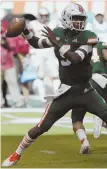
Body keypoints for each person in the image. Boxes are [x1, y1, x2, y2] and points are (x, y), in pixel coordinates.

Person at [2, 3, 107, 167]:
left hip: (86, 90)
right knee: (40, 127)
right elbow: (37, 43)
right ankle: (17, 154)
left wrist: (56, 43)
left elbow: (76, 58)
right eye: (75, 19)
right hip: (65, 92)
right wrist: (25, 31)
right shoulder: (57, 33)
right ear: (66, 18)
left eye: (81, 19)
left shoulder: (88, 35)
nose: (79, 22)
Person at [71, 41, 107, 153]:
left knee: (76, 118)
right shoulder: (100, 44)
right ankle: (100, 116)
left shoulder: (77, 48)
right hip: (102, 80)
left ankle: (85, 143)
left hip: (85, 82)